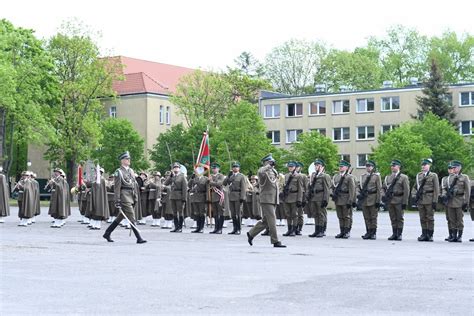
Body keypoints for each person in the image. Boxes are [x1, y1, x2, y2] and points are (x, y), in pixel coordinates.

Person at [103, 151, 146, 244]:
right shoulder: (119, 172)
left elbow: (134, 184)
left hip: (131, 195)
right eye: (127, 159)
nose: (129, 160)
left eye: (129, 159)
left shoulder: (131, 171)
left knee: (120, 217)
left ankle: (107, 232)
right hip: (124, 196)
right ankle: (139, 237)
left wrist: (135, 196)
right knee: (131, 216)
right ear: (122, 161)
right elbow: (117, 187)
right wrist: (117, 200)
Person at [246, 154, 286, 248]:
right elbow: (260, 171)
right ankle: (275, 241)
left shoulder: (273, 171)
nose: (271, 164)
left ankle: (251, 233)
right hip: (266, 199)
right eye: (269, 162)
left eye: (272, 162)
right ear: (265, 163)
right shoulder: (263, 171)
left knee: (266, 221)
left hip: (273, 198)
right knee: (272, 220)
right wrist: (267, 166)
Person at [440, 160, 470, 242]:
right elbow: (446, 188)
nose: (453, 169)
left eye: (455, 167)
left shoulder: (464, 177)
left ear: (459, 168)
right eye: (452, 168)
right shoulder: (449, 178)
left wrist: (466, 202)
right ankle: (454, 235)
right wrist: (444, 196)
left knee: (459, 220)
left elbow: (467, 191)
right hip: (450, 200)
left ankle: (459, 236)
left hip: (460, 200)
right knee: (452, 219)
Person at [412, 158, 439, 242]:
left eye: (425, 165)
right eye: (422, 165)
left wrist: (435, 200)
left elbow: (436, 189)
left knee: (430, 218)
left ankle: (430, 235)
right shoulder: (418, 175)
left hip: (429, 199)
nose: (423, 166)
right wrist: (413, 196)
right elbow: (415, 187)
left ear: (429, 166)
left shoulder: (433, 175)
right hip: (420, 199)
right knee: (422, 218)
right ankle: (424, 234)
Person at [382, 160, 410, 241]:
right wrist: (383, 195)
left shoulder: (404, 177)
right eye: (392, 166)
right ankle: (394, 233)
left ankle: (399, 234)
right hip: (390, 200)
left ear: (398, 167)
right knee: (393, 218)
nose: (392, 167)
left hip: (399, 199)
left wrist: (405, 202)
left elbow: (406, 190)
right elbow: (383, 188)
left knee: (399, 218)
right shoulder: (388, 177)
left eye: (394, 166)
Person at [357, 160, 382, 240]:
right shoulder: (362, 176)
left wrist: (378, 201)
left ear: (373, 167)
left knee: (373, 217)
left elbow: (379, 189)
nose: (368, 167)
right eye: (367, 166)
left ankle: (373, 233)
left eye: (370, 166)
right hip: (364, 199)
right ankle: (368, 231)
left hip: (373, 198)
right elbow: (358, 187)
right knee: (366, 217)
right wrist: (358, 194)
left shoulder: (376, 176)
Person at [331, 160, 356, 239]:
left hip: (346, 198)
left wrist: (351, 200)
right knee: (340, 216)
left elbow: (352, 190)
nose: (340, 167)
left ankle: (347, 232)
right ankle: (342, 231)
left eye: (342, 166)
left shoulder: (349, 177)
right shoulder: (336, 176)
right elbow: (333, 187)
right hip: (338, 198)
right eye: (340, 166)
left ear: (346, 168)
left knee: (347, 216)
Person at [307, 159, 331, 238]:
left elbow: (327, 189)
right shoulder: (313, 175)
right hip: (314, 197)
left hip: (321, 197)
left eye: (318, 165)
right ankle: (317, 230)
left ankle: (322, 230)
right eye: (315, 165)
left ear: (322, 167)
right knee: (315, 214)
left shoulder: (325, 176)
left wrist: (325, 199)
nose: (316, 167)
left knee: (321, 214)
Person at [223, 162, 246, 235]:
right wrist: (228, 176)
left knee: (238, 213)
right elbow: (224, 183)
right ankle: (234, 228)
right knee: (233, 213)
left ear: (239, 168)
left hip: (238, 195)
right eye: (234, 167)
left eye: (236, 167)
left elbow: (243, 187)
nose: (235, 168)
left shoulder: (241, 176)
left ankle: (239, 229)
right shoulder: (231, 176)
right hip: (231, 196)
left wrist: (242, 197)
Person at [282, 161, 304, 237]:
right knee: (288, 214)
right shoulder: (286, 176)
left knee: (294, 215)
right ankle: (289, 229)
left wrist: (299, 199)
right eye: (289, 167)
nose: (290, 168)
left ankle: (294, 230)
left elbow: (301, 189)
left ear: (295, 167)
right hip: (287, 197)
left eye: (291, 167)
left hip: (295, 197)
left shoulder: (298, 176)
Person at [164, 162, 188, 233]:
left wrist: (184, 198)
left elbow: (184, 188)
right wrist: (170, 176)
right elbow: (165, 183)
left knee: (180, 212)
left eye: (177, 167)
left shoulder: (182, 176)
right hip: (173, 196)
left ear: (179, 168)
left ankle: (180, 227)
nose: (175, 168)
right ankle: (176, 227)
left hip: (179, 196)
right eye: (174, 167)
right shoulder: (173, 176)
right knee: (174, 212)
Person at [188, 168, 209, 233]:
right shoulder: (194, 179)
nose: (198, 172)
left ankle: (201, 228)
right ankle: (198, 227)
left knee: (201, 213)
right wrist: (191, 178)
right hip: (195, 197)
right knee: (196, 213)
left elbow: (207, 189)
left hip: (202, 197)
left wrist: (207, 199)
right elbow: (189, 185)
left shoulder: (205, 179)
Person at [209, 163, 225, 234]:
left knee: (220, 212)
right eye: (213, 168)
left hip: (219, 196)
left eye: (215, 168)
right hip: (213, 196)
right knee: (215, 213)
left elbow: (219, 184)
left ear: (218, 169)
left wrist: (211, 181)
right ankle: (216, 228)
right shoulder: (210, 176)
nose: (214, 169)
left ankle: (220, 228)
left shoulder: (220, 176)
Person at [294, 162, 307, 235]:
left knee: (300, 214)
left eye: (298, 167)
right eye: (296, 167)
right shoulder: (292, 175)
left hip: (301, 197)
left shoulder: (303, 176)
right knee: (294, 213)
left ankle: (299, 228)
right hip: (293, 197)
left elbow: (305, 188)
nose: (296, 168)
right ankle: (294, 227)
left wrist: (304, 198)